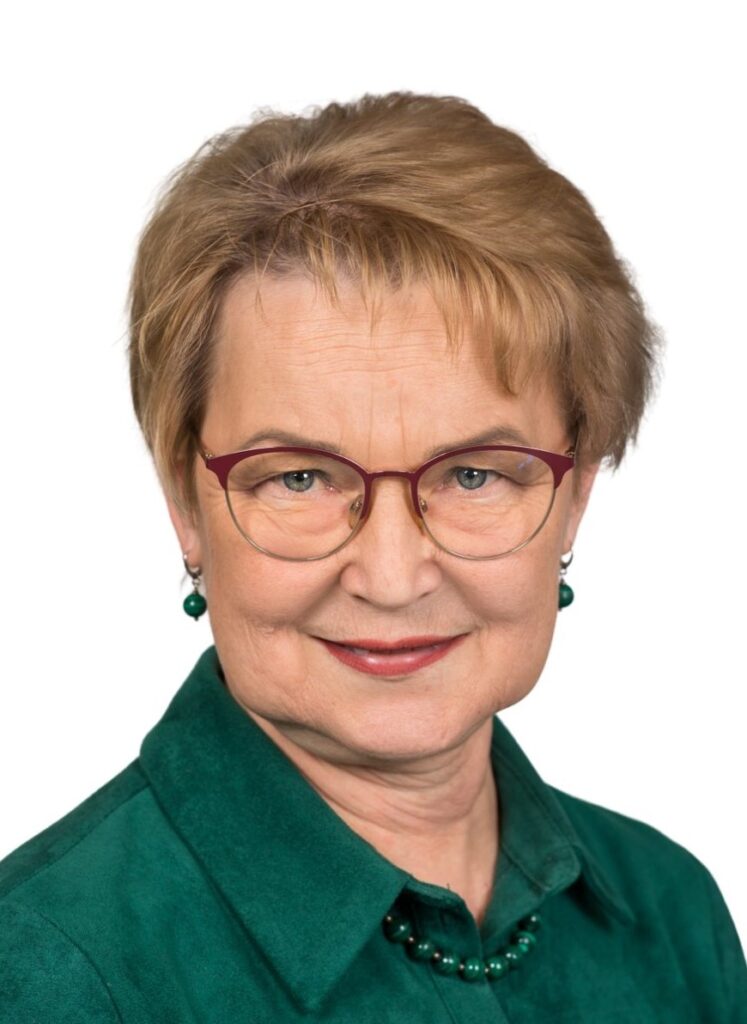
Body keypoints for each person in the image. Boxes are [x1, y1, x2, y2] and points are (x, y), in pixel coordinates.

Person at [0, 91, 744, 1022]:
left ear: (574, 498)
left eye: (473, 474)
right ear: (186, 503)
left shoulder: (671, 916)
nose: (391, 578)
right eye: (300, 478)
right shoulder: (46, 971)